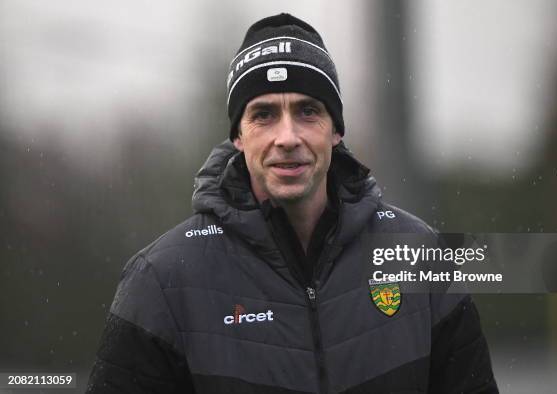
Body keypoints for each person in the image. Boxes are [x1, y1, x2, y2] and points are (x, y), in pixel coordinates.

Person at [87, 13, 498, 394]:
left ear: (335, 130)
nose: (287, 137)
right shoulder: (161, 281)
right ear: (238, 136)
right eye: (264, 115)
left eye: (307, 111)